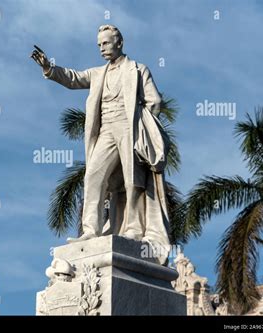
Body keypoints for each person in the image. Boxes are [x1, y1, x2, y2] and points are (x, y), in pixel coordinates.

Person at [31, 25, 171, 264]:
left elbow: (154, 101)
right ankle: (90, 230)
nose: (102, 49)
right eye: (99, 45)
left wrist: (143, 125)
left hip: (129, 128)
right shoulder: (98, 74)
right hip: (106, 130)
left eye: (106, 43)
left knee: (133, 180)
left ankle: (134, 229)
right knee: (93, 176)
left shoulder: (137, 70)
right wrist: (49, 68)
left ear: (119, 43)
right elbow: (73, 78)